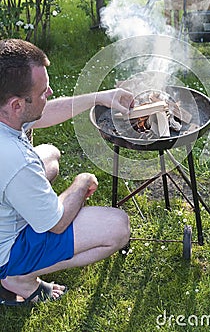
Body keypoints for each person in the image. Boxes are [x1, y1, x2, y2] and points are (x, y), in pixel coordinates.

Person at [0, 38, 133, 306]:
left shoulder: (6, 109)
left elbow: (42, 113)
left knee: (50, 156)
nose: (49, 93)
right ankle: (16, 276)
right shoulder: (15, 159)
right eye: (42, 92)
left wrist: (100, 97)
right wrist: (81, 184)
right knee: (118, 227)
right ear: (16, 105)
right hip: (6, 248)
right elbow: (57, 223)